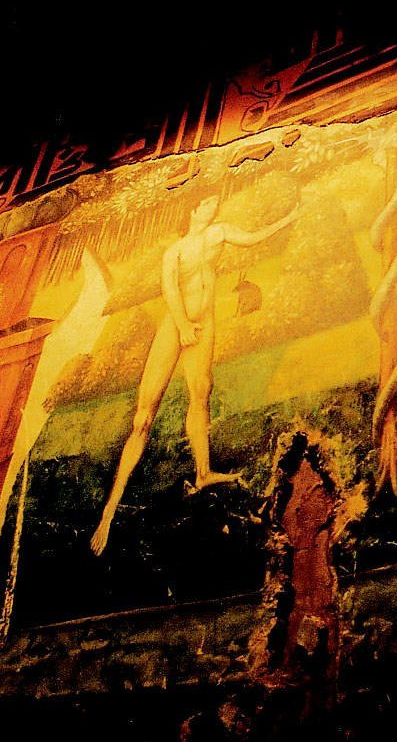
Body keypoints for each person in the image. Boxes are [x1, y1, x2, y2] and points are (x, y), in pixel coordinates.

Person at [90, 194, 301, 555]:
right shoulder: (175, 251)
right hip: (176, 323)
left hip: (204, 321)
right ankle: (108, 511)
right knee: (143, 416)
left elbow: (253, 237)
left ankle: (203, 472)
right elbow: (171, 289)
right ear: (192, 210)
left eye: (215, 204)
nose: (212, 207)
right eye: (206, 203)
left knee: (201, 391)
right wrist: (183, 324)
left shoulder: (219, 234)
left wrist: (290, 215)